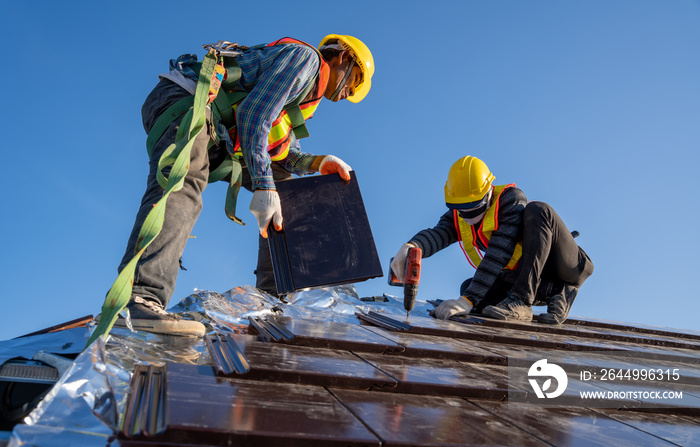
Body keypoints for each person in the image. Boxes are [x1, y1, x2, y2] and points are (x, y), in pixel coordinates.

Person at [107, 34, 375, 337]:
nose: (345, 94)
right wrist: (263, 184)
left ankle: (275, 300)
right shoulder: (306, 61)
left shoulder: (301, 97)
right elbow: (252, 115)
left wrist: (317, 163)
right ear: (341, 57)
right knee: (187, 180)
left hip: (216, 125)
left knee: (284, 192)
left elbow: (284, 156)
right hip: (185, 100)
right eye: (351, 82)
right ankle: (140, 299)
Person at [391, 156, 593, 325]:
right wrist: (411, 247)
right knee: (471, 289)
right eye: (462, 209)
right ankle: (557, 292)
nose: (468, 215)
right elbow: (437, 234)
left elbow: (499, 252)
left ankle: (522, 301)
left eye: (475, 207)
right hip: (530, 276)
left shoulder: (511, 201)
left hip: (564, 265)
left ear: (488, 192)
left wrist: (467, 300)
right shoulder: (459, 215)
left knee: (538, 210)